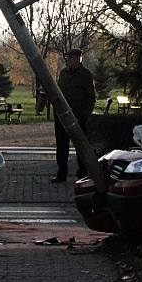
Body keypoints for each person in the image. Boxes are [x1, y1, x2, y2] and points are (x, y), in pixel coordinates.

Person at [52, 48, 96, 182]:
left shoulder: (86, 75)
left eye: (71, 58)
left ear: (78, 58)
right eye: (67, 58)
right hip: (62, 116)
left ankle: (82, 173)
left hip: (78, 116)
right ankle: (62, 172)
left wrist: (85, 115)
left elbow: (91, 97)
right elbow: (58, 90)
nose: (68, 60)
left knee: (81, 146)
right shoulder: (64, 73)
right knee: (61, 146)